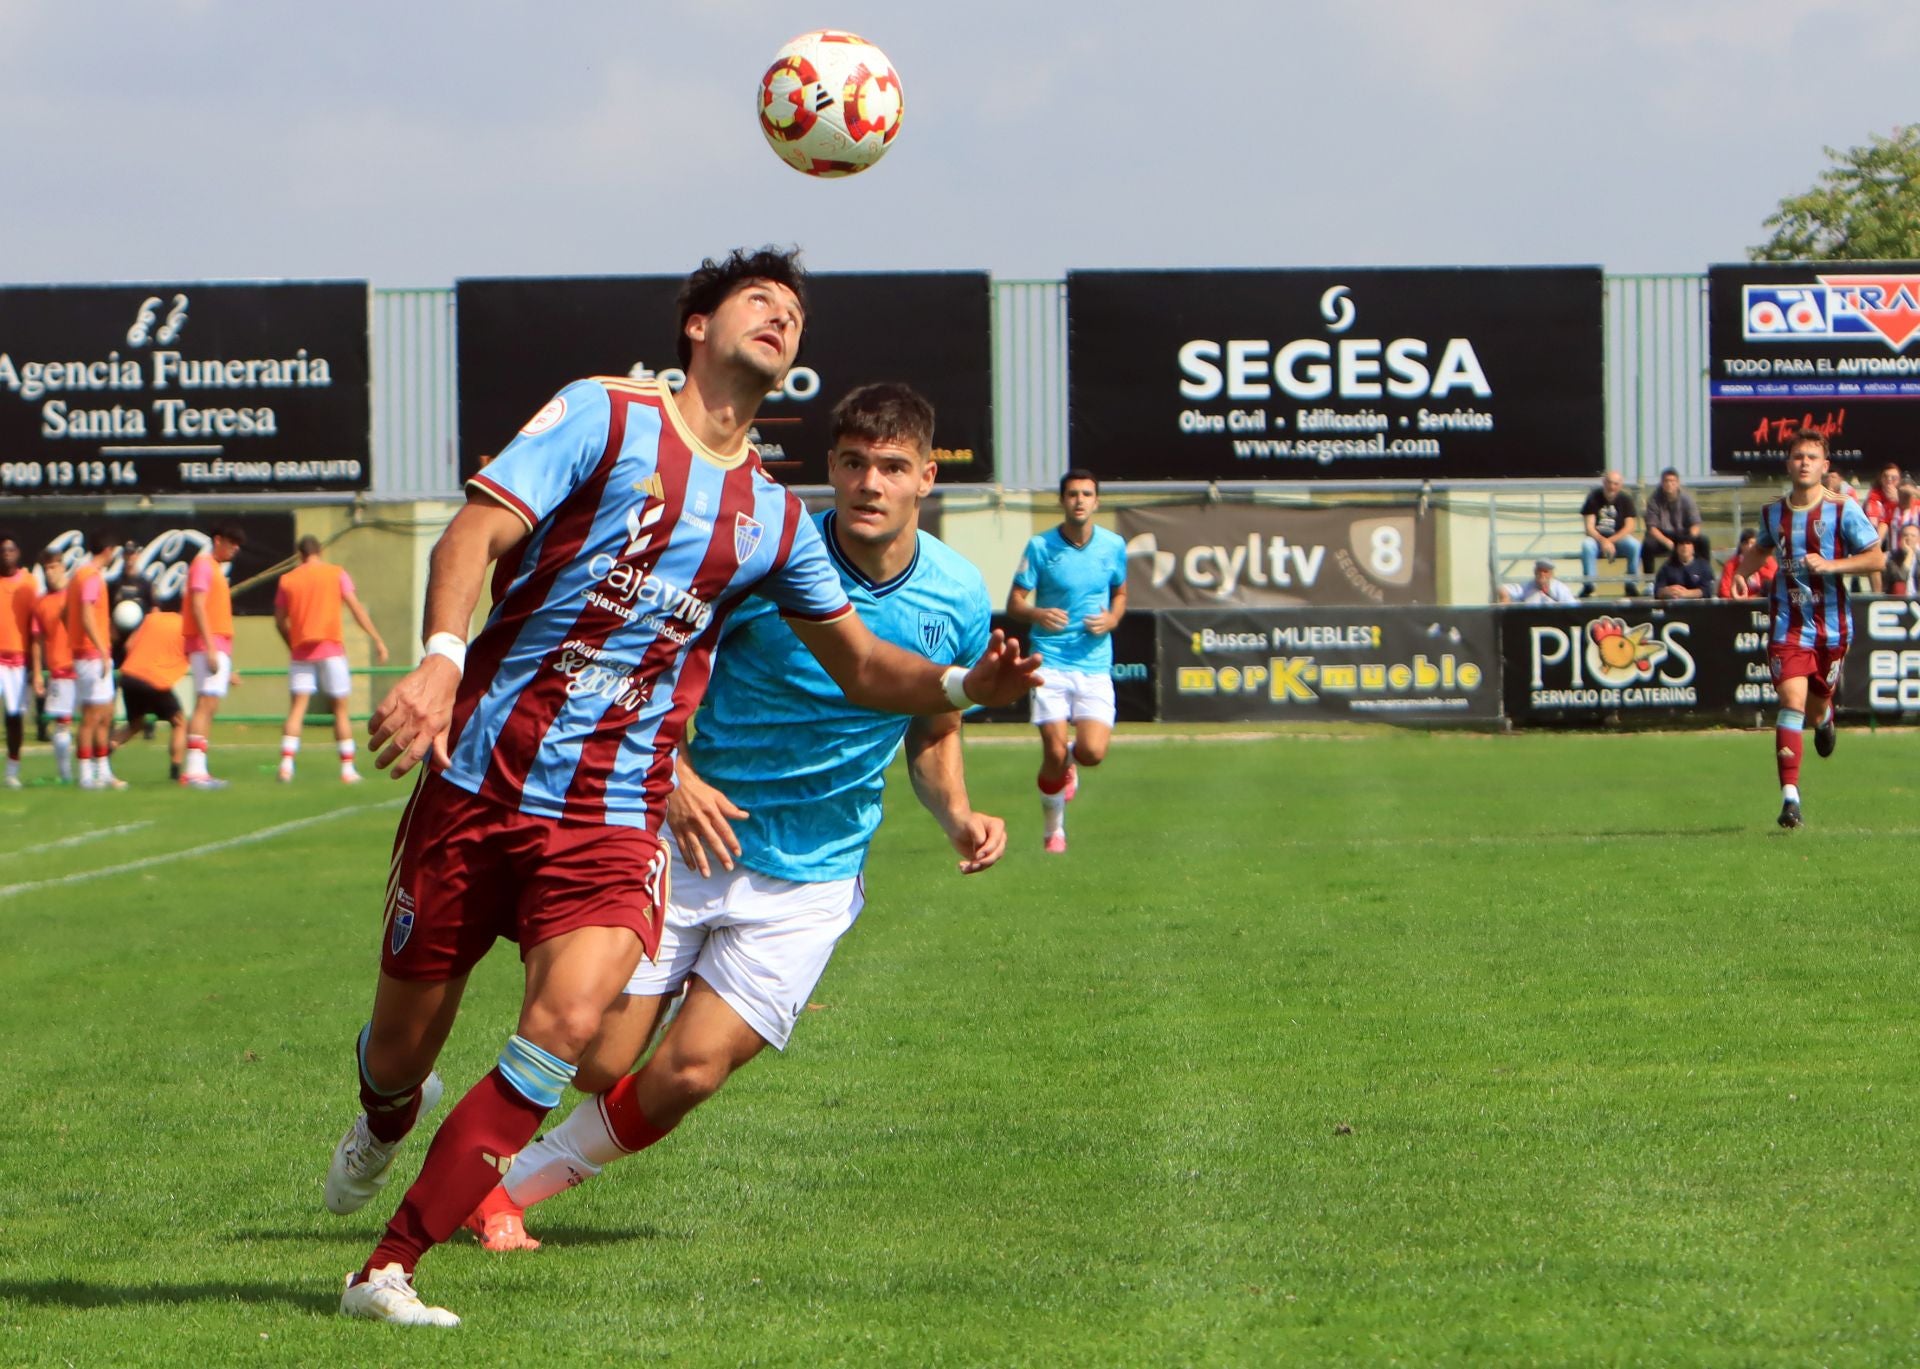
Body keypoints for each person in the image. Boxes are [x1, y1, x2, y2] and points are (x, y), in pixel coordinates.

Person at [326, 248, 1040, 1329]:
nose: (782, 318)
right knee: (401, 1052)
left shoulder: (770, 517)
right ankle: (386, 1116)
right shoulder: (601, 416)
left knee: (570, 1028)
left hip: (617, 811)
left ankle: (392, 1266)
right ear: (697, 325)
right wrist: (437, 656)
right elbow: (476, 529)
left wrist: (958, 681)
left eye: (795, 312)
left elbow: (860, 665)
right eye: (761, 299)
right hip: (483, 778)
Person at [458, 380, 1005, 1251]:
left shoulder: (959, 597)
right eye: (855, 462)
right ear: (831, 466)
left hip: (815, 869)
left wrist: (960, 816)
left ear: (927, 478)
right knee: (598, 1056)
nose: (871, 482)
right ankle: (475, 1159)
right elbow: (644, 667)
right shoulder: (768, 560)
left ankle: (512, 1187)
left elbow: (932, 730)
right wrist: (669, 770)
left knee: (693, 1067)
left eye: (893, 467)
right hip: (686, 839)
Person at [1733, 428, 1884, 830]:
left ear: (1824, 465)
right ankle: (1790, 800)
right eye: (1798, 456)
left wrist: (1832, 565)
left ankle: (1827, 719)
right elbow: (1763, 547)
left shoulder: (1843, 508)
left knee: (1817, 707)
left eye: (1811, 457)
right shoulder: (1772, 512)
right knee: (1791, 702)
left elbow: (1876, 559)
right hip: (1787, 625)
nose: (1804, 462)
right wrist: (1742, 573)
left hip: (1832, 630)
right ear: (1789, 463)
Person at [1006, 468, 1127, 854]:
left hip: (1093, 663)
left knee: (1092, 753)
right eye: (1072, 494)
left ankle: (1070, 764)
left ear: (1096, 501)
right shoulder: (1040, 547)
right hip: (1050, 661)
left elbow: (1120, 592)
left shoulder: (1113, 546)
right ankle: (1053, 830)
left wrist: (1112, 618)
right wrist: (1039, 614)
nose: (1079, 500)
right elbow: (1015, 603)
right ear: (1062, 501)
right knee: (1053, 753)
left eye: (1086, 494)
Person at [275, 536, 390, 783]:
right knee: (340, 711)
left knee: (297, 709)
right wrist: (376, 638)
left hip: (301, 651)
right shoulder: (335, 574)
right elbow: (355, 608)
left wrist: (292, 643)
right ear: (320, 551)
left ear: (300, 554)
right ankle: (347, 769)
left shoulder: (288, 579)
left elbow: (280, 619)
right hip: (331, 649)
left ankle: (286, 765)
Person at [181, 526, 244, 789]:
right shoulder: (203, 565)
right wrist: (209, 647)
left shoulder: (214, 569)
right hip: (209, 643)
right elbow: (197, 604)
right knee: (205, 703)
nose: (235, 548)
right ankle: (193, 770)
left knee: (210, 704)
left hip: (217, 643)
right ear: (217, 540)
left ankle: (200, 768)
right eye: (231, 542)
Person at [64, 531, 123, 790]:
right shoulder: (89, 576)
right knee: (92, 715)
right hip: (92, 655)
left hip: (91, 652)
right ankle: (87, 774)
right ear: (108, 550)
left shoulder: (81, 575)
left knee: (105, 714)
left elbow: (67, 614)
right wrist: (99, 648)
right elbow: (86, 615)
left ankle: (103, 770)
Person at [110, 605, 189, 780]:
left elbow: (129, 645)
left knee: (135, 724)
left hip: (129, 675)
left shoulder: (155, 618)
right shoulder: (189, 631)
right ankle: (176, 772)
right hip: (154, 679)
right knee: (179, 722)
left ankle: (104, 753)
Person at [30, 550, 74, 784]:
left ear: (63, 567)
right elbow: (36, 641)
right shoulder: (41, 603)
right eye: (46, 568)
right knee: (62, 725)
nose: (50, 572)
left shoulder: (76, 595)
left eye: (54, 567)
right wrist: (38, 672)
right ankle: (65, 774)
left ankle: (98, 770)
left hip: (84, 666)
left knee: (97, 721)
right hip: (60, 671)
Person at [0, 537, 35, 788]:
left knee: (14, 717)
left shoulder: (29, 582)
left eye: (11, 549)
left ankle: (12, 770)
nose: (6, 554)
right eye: (2, 551)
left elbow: (36, 627)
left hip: (18, 661)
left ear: (18, 552)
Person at [1578, 470, 1641, 597]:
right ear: (1604, 482)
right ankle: (1590, 585)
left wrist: (1610, 541)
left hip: (1618, 539)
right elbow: (1589, 528)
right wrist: (1603, 541)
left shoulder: (1626, 499)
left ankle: (1631, 584)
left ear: (1620, 485)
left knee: (1635, 545)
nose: (1612, 487)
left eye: (1616, 484)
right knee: (1586, 545)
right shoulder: (1593, 497)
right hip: (1597, 539)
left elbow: (1630, 527)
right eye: (1609, 483)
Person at [1641, 467, 1706, 574]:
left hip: (1683, 534)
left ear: (1678, 483)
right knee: (1647, 545)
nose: (1669, 484)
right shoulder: (1654, 500)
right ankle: (1649, 583)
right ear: (1662, 483)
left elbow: (1696, 523)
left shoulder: (1687, 499)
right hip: (1662, 535)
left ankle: (1705, 576)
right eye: (1666, 481)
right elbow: (1651, 528)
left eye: (1672, 481)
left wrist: (1689, 540)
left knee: (1703, 541)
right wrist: (1667, 542)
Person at [1718, 528, 1776, 600]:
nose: (1749, 546)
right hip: (1738, 603)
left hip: (1764, 602)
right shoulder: (1731, 564)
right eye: (1746, 543)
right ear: (1741, 546)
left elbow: (1773, 582)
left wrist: (1757, 566)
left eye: (1753, 543)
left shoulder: (1768, 561)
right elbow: (1724, 591)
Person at [1653, 534, 1715, 600]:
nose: (1685, 546)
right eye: (1681, 544)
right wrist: (1668, 591)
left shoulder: (1703, 566)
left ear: (1693, 547)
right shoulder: (1667, 567)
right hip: (1674, 607)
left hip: (1698, 607)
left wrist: (1687, 593)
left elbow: (1708, 590)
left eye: (1688, 543)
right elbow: (1657, 591)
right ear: (1676, 548)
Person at [1498, 558, 1579, 605]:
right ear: (1535, 572)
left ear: (1551, 574)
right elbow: (1503, 589)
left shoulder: (1560, 588)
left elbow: (1572, 606)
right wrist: (1505, 598)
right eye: (1539, 571)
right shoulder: (1527, 586)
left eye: (1545, 571)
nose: (1542, 574)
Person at [1861, 462, 1902, 546]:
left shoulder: (1904, 494)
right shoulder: (1874, 495)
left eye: (1893, 478)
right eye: (1886, 476)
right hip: (1877, 532)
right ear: (1881, 479)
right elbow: (1873, 519)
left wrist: (1899, 501)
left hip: (1900, 530)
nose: (1889, 480)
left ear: (1899, 480)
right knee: (1883, 525)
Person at [1884, 523, 1920, 597]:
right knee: (1899, 585)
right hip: (1899, 599)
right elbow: (1900, 578)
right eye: (1905, 535)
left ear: (1918, 539)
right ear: (1900, 538)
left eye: (1913, 536)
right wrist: (1909, 554)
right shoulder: (1892, 557)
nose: (1909, 538)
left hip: (1918, 598)